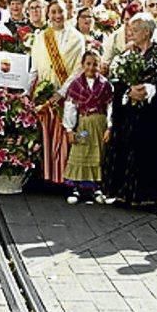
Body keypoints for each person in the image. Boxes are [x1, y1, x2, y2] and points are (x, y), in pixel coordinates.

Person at [101, 15, 157, 206]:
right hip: (128, 115)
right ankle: (122, 193)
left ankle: (149, 195)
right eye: (130, 29)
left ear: (147, 32)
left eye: (135, 30)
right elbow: (116, 82)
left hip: (151, 116)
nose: (130, 33)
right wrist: (129, 91)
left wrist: (148, 90)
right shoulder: (126, 55)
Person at [31, 0, 85, 186]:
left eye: (60, 11)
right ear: (48, 14)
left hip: (67, 94)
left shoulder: (77, 38)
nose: (57, 16)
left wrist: (62, 92)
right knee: (44, 135)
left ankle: (63, 178)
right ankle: (45, 176)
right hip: (45, 92)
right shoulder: (40, 37)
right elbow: (35, 67)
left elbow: (79, 69)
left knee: (63, 136)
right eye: (53, 12)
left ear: (67, 12)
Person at [61, 51, 113, 205]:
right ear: (83, 65)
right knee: (80, 150)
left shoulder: (105, 85)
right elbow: (70, 107)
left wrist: (110, 127)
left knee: (98, 154)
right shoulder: (76, 84)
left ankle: (95, 188)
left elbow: (111, 107)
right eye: (88, 64)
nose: (91, 67)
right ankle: (75, 188)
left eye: (95, 64)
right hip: (84, 125)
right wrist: (69, 129)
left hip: (100, 125)